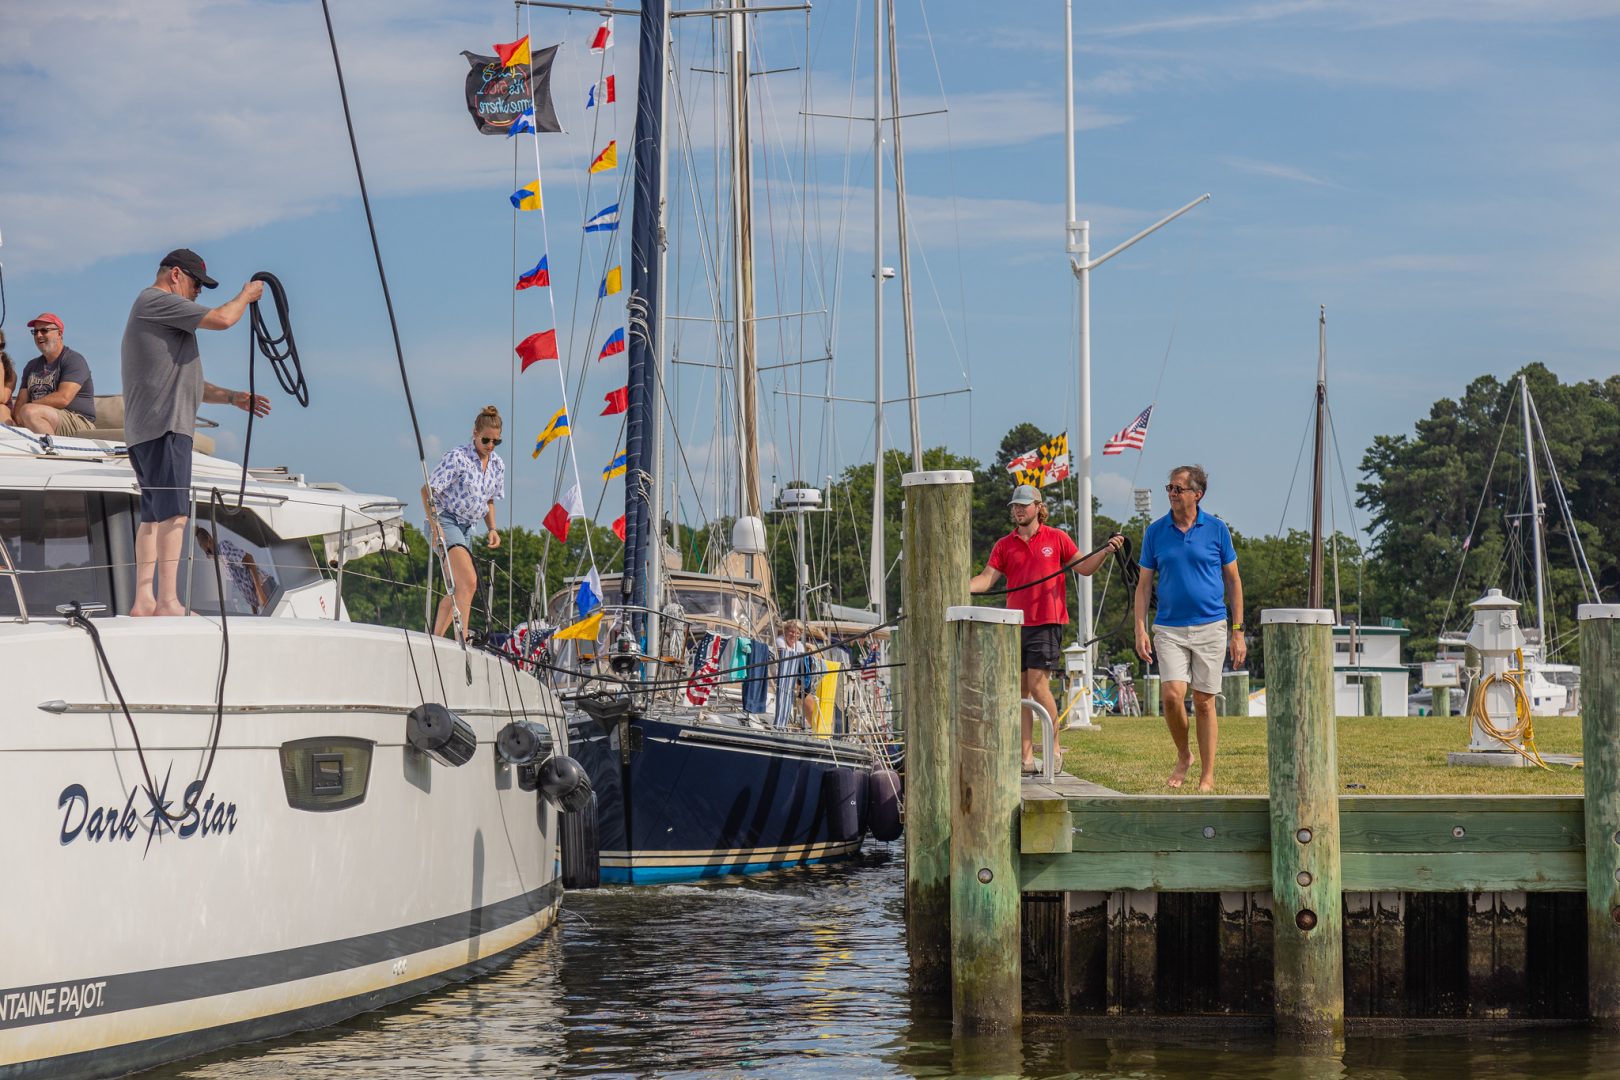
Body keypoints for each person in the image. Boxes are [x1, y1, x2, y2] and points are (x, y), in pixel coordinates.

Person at [120, 249, 273, 617]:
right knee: (175, 514)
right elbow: (222, 319)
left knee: (153, 517)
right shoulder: (157, 300)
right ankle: (169, 601)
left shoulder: (156, 315)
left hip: (145, 430)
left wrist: (233, 397)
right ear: (176, 275)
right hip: (168, 427)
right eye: (195, 285)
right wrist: (246, 296)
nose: (196, 294)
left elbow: (189, 383)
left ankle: (145, 600)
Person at [969, 484, 1123, 775]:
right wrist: (957, 587)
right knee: (1020, 691)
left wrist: (1105, 550)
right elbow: (986, 579)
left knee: (1039, 685)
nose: (1018, 510)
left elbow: (1085, 568)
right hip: (1014, 624)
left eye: (1023, 505)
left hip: (1047, 621)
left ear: (1038, 507)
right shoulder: (1004, 544)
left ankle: (1053, 750)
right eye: (1015, 505)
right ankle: (1026, 757)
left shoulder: (1057, 537)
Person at [1133, 465, 1245, 793]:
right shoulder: (1155, 532)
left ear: (1197, 494)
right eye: (1169, 488)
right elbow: (1143, 587)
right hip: (1168, 627)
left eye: (1178, 489)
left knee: (1204, 701)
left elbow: (1233, 581)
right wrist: (1140, 628)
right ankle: (1184, 755)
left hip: (1211, 625)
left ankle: (1207, 775)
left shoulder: (1217, 529)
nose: (1171, 493)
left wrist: (1237, 631)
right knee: (1171, 696)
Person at [423, 405, 505, 638]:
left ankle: (435, 639)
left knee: (459, 588)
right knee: (469, 581)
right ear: (475, 434)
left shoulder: (497, 465)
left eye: (495, 442)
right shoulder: (457, 457)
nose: (490, 446)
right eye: (486, 440)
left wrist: (492, 528)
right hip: (444, 521)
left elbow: (489, 499)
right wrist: (436, 525)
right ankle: (464, 637)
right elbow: (426, 492)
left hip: (467, 529)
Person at [15, 313, 96, 436]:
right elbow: (20, 402)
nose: (38, 335)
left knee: (29, 411)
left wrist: (27, 409)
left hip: (77, 421)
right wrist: (18, 417)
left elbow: (63, 398)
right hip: (40, 418)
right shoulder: (31, 366)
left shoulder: (73, 360)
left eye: (44, 330)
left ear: (59, 333)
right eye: (35, 332)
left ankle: (53, 452)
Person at [195, 526, 277, 614]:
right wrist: (254, 611)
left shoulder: (224, 548)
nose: (208, 555)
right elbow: (246, 585)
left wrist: (259, 591)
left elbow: (249, 558)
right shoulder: (223, 564)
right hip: (258, 595)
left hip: (264, 586)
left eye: (207, 550)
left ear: (209, 539)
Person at [772, 619, 808, 730]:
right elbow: (785, 658)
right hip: (777, 678)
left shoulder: (799, 646)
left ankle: (799, 719)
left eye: (797, 633)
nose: (794, 635)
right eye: (791, 631)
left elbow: (801, 662)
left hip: (792, 678)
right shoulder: (780, 641)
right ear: (786, 631)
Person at [0, 328, 15, 424]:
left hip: (3, 416)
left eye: (1, 345)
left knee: (1, 409)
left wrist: (0, 366)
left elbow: (1, 398)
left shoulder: (11, 375)